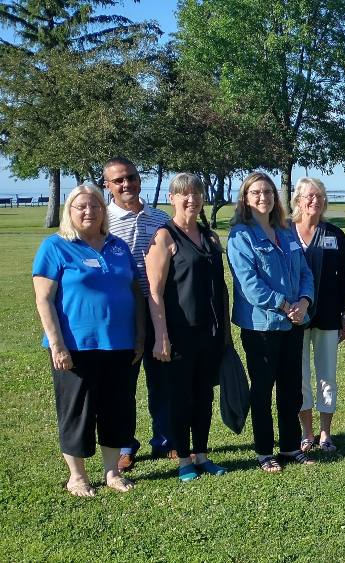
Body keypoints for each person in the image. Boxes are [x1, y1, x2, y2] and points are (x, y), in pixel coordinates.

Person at [32, 185, 144, 496]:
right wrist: (57, 345)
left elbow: (134, 292)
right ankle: (77, 476)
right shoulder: (56, 246)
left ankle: (111, 473)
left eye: (94, 206)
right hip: (75, 347)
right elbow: (44, 299)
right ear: (69, 211)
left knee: (117, 409)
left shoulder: (118, 246)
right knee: (77, 411)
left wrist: (139, 335)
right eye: (80, 206)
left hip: (119, 345)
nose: (88, 212)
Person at [228, 172, 315, 473]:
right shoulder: (240, 236)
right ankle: (265, 450)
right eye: (255, 193)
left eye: (267, 191)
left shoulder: (287, 231)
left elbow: (305, 272)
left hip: (293, 323)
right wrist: (285, 304)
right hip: (261, 326)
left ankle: (290, 446)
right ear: (245, 198)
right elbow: (249, 283)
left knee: (291, 387)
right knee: (263, 389)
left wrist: (304, 302)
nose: (263, 197)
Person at [145, 174, 230, 482]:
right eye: (183, 194)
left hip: (209, 332)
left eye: (196, 193)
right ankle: (183, 460)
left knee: (203, 396)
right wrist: (161, 335)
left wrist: (225, 334)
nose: (191, 199)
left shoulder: (210, 237)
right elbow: (154, 291)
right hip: (179, 333)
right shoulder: (164, 236)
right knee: (180, 398)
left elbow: (220, 288)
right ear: (172, 198)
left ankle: (203, 455)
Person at [103, 157, 172, 472]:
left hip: (159, 307)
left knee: (162, 380)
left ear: (139, 179)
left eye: (130, 177)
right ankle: (125, 446)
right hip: (123, 313)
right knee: (123, 385)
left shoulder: (159, 217)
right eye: (118, 180)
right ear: (108, 185)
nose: (125, 184)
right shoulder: (101, 221)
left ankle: (166, 440)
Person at [291, 178, 345, 454]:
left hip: (328, 315)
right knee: (300, 376)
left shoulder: (335, 234)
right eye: (309, 196)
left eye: (319, 196)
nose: (315, 201)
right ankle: (307, 433)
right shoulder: (285, 233)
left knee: (327, 375)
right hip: (294, 318)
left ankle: (326, 433)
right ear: (298, 201)